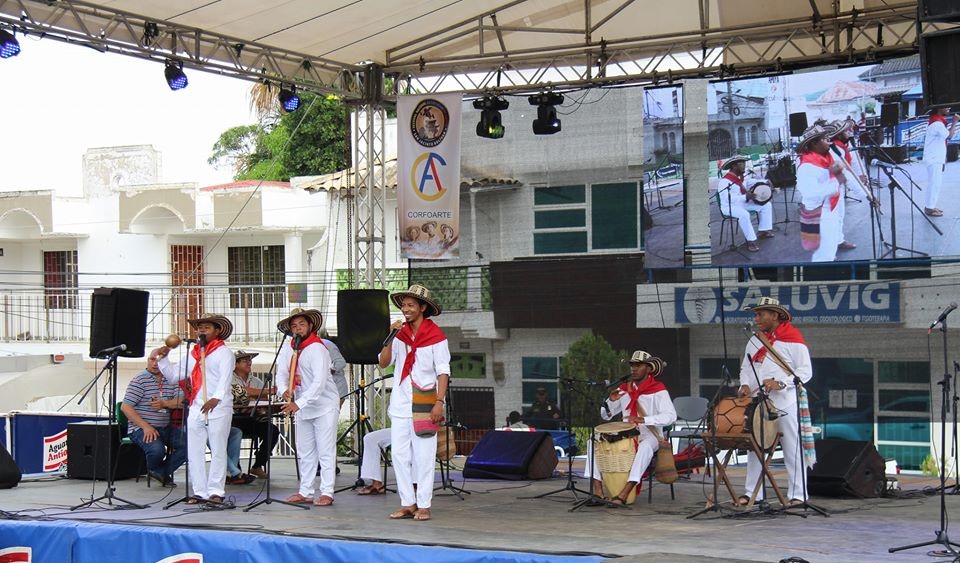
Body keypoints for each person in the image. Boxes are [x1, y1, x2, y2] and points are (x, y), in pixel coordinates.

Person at [379, 284, 450, 522]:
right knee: (399, 455)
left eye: (411, 305)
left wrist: (439, 402)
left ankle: (424, 504)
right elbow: (383, 362)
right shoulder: (399, 335)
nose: (405, 309)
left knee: (424, 455)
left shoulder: (436, 337)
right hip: (400, 402)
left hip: (425, 402)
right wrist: (389, 338)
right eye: (403, 305)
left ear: (422, 307)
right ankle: (407, 502)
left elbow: (443, 371)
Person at [738, 296, 813, 506]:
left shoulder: (793, 339)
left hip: (785, 402)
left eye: (761, 314)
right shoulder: (754, 340)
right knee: (756, 447)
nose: (757, 317)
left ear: (775, 315)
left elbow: (805, 372)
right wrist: (743, 384)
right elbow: (745, 367)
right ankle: (753, 493)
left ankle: (798, 495)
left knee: (791, 447)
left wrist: (781, 383)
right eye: (756, 314)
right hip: (758, 403)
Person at [154, 313, 236, 505]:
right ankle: (200, 491)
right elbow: (174, 376)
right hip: (196, 406)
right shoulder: (193, 353)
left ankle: (216, 490)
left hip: (219, 406)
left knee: (217, 449)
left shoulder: (224, 353)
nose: (201, 330)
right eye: (199, 327)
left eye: (206, 327)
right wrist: (164, 359)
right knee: (195, 450)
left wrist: (216, 398)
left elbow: (225, 379)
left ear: (217, 331)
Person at [585, 350, 676, 504]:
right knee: (591, 441)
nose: (634, 368)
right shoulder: (624, 388)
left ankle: (625, 492)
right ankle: (598, 491)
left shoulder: (658, 389)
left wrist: (644, 419)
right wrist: (611, 402)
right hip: (626, 432)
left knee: (645, 448)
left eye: (638, 365)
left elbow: (671, 416)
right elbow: (605, 415)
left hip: (649, 434)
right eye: (632, 365)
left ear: (648, 368)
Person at [276, 308, 337, 507]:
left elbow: (319, 384)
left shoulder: (318, 349)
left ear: (310, 326)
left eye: (302, 324)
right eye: (294, 326)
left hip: (324, 405)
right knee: (304, 450)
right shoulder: (288, 347)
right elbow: (281, 373)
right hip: (302, 405)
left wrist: (297, 403)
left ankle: (327, 492)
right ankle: (306, 491)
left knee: (325, 450)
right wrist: (284, 389)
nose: (298, 328)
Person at [121, 352, 187, 487]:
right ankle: (158, 472)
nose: (155, 363)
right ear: (147, 360)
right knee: (157, 450)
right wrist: (146, 427)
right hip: (141, 427)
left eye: (159, 360)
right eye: (152, 359)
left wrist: (165, 404)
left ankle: (160, 472)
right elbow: (126, 407)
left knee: (190, 445)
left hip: (164, 426)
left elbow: (182, 402)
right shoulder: (139, 380)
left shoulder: (171, 379)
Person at [795, 124, 846, 262]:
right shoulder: (806, 167)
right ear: (814, 143)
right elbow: (809, 193)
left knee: (830, 250)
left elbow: (841, 177)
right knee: (823, 255)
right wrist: (836, 182)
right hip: (820, 215)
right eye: (824, 139)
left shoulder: (828, 158)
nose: (828, 141)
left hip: (831, 210)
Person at [828, 119, 879, 252]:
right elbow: (845, 174)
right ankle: (829, 248)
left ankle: (838, 240)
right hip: (830, 187)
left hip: (836, 185)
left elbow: (853, 164)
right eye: (846, 130)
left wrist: (861, 176)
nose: (849, 132)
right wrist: (867, 195)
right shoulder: (835, 150)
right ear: (839, 134)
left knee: (839, 215)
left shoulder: (842, 147)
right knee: (833, 217)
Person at [230, 349, 279, 480]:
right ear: (235, 364)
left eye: (250, 360)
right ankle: (236, 470)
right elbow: (242, 392)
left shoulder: (256, 380)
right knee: (233, 434)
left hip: (254, 418)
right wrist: (260, 393)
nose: (249, 363)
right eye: (245, 360)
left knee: (272, 430)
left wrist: (256, 394)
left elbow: (262, 398)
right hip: (235, 418)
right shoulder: (229, 378)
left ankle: (258, 465)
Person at [716, 154, 775, 252]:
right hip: (729, 207)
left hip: (742, 203)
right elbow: (727, 199)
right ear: (734, 166)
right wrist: (745, 197)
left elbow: (751, 182)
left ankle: (763, 230)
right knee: (744, 214)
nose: (744, 165)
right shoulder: (725, 181)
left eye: (744, 163)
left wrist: (765, 181)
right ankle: (750, 241)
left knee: (766, 205)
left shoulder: (740, 178)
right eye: (741, 164)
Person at [923, 107, 959, 216]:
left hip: (936, 157)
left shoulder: (936, 121)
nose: (949, 108)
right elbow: (950, 135)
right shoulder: (937, 124)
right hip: (934, 158)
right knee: (934, 183)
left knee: (936, 183)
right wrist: (955, 121)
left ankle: (931, 206)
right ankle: (929, 208)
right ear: (939, 109)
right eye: (946, 107)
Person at [356, 428, 392, 495]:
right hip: (400, 427)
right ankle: (376, 483)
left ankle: (414, 484)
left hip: (414, 427)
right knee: (370, 438)